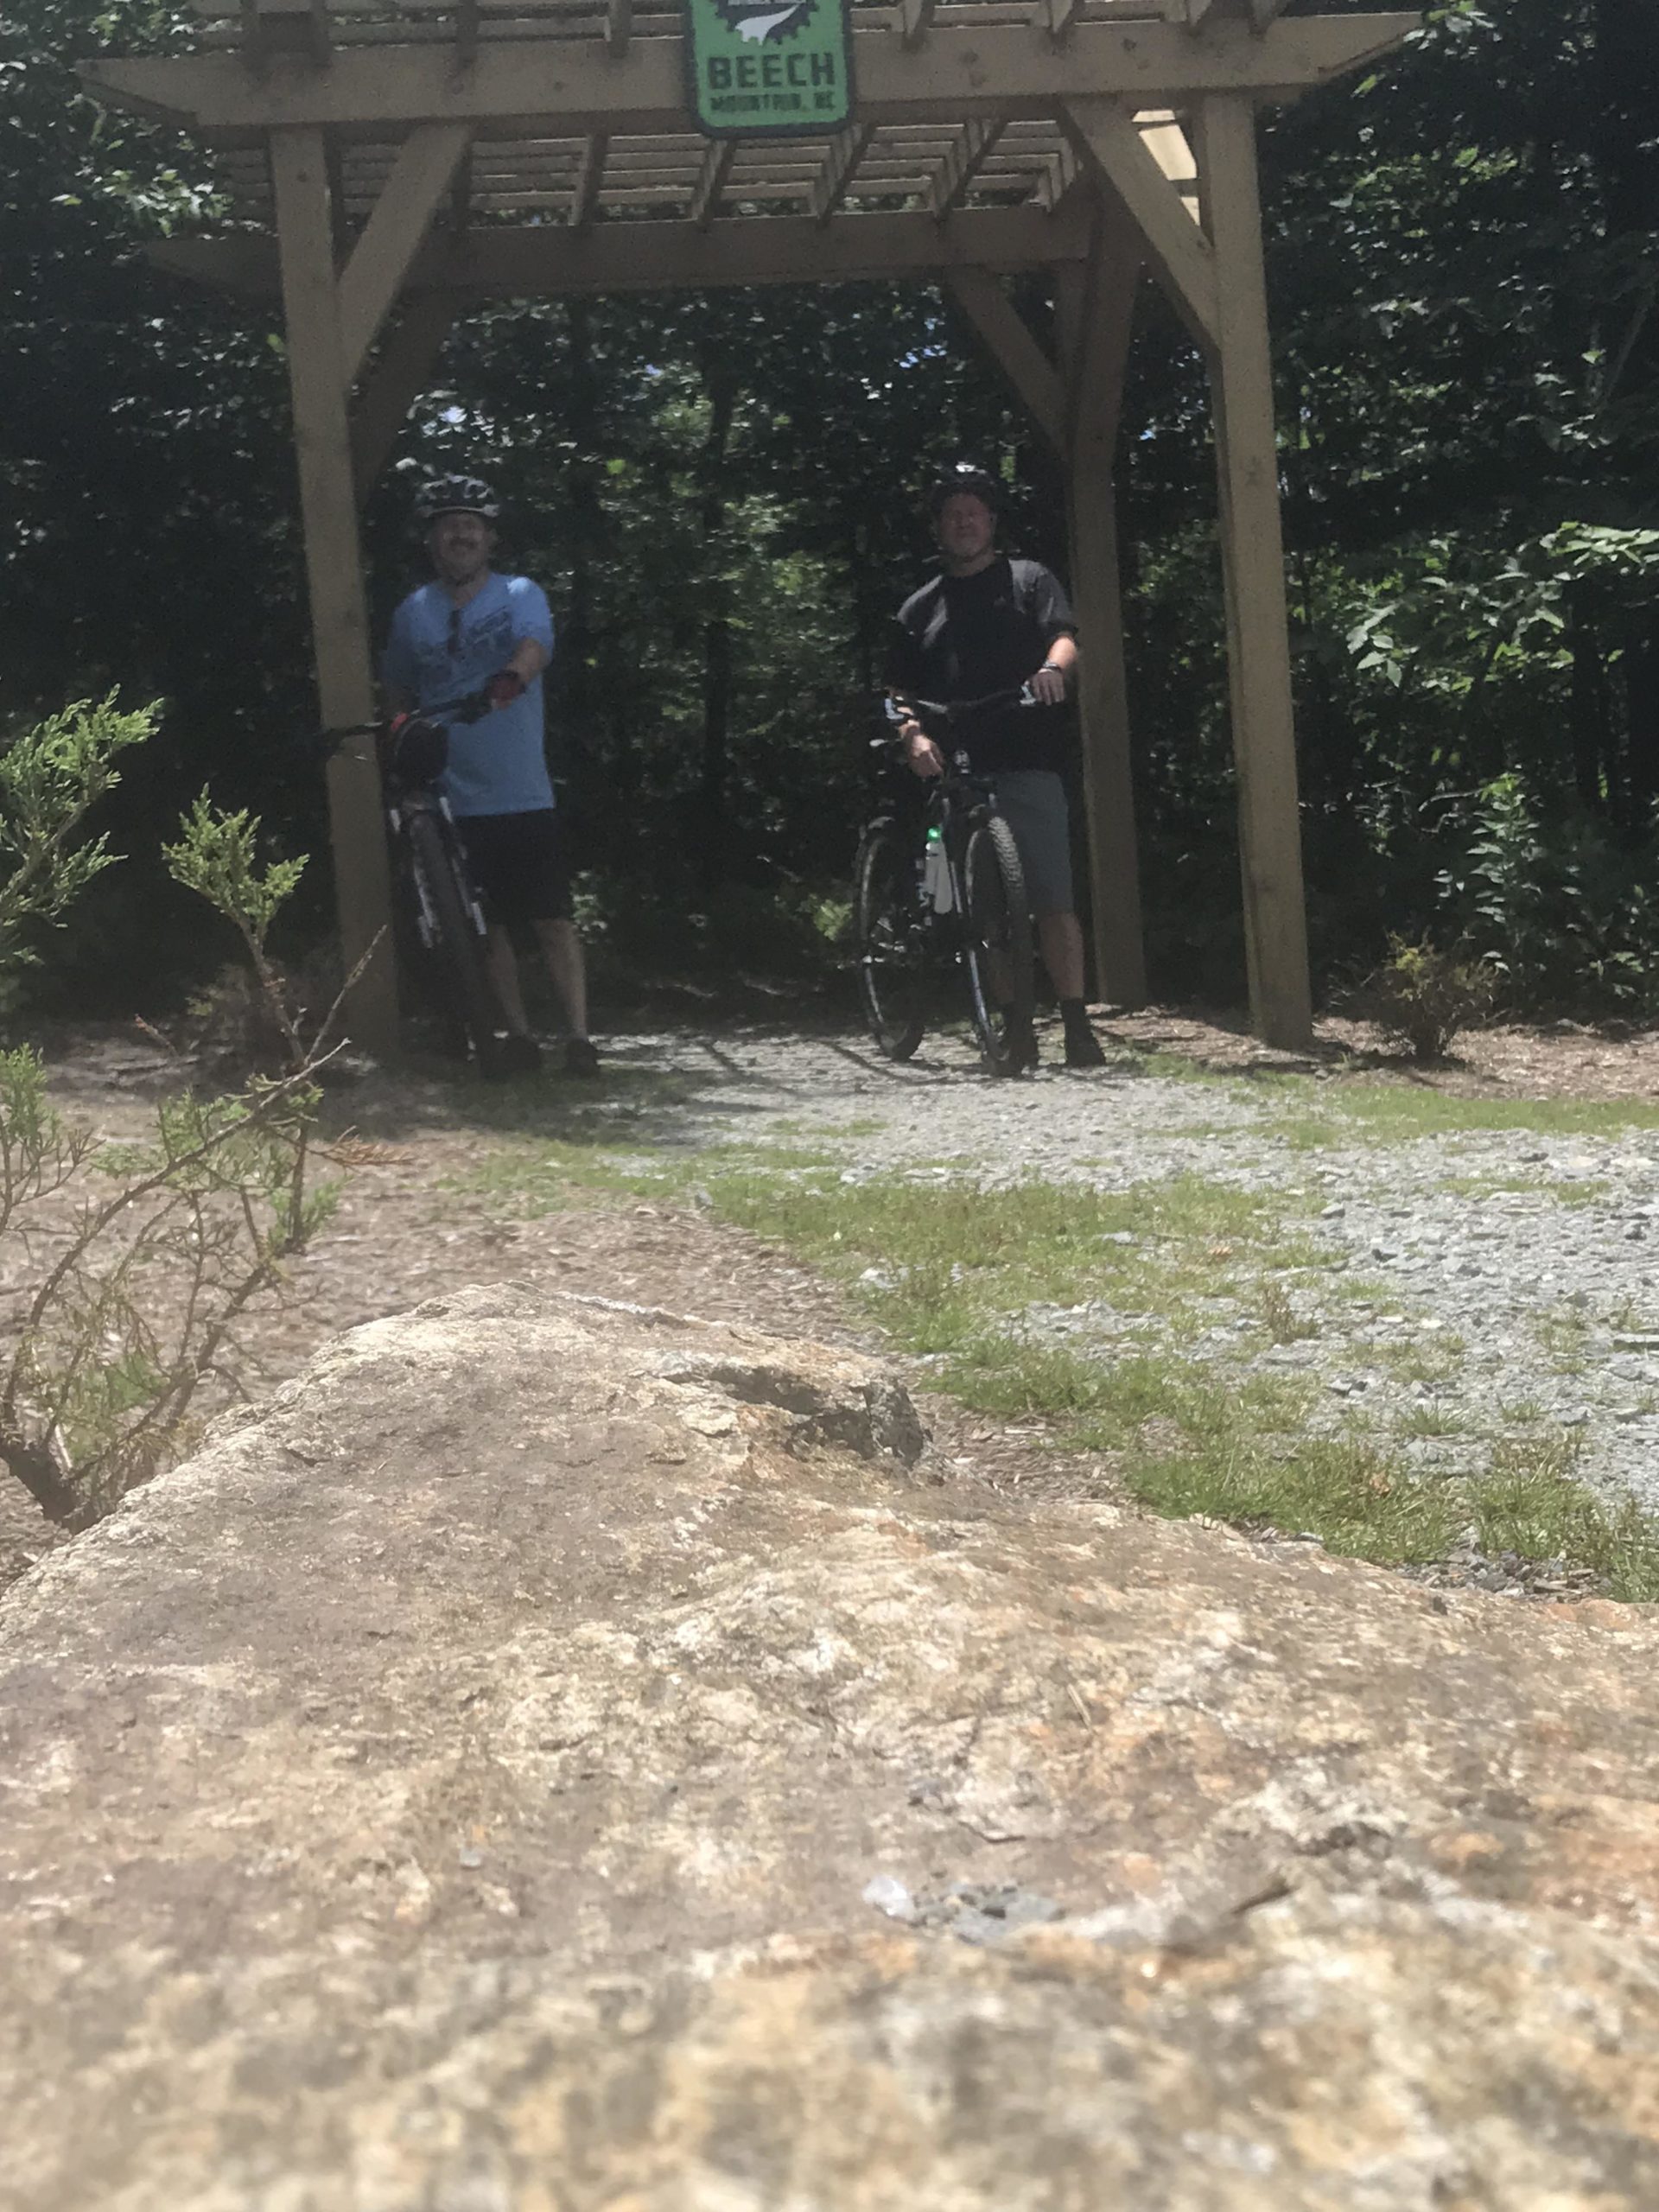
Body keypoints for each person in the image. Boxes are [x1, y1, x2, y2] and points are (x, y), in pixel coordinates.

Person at [885, 461, 1106, 1071]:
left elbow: (1064, 637)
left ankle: (1077, 1025)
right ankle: (1012, 1028)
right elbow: (892, 692)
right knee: (984, 915)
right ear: (939, 528)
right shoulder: (918, 608)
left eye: (974, 513)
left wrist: (1055, 671)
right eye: (953, 514)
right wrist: (910, 736)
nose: (964, 523)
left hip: (1025, 755)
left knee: (1053, 898)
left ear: (991, 523)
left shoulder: (1029, 580)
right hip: (954, 763)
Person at [383, 474, 598, 1077]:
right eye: (448, 525)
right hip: (453, 793)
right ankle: (520, 1035)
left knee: (552, 918)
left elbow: (536, 644)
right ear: (432, 540)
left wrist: (511, 678)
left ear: (489, 538)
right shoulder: (412, 613)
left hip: (522, 787)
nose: (460, 533)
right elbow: (397, 681)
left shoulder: (518, 592)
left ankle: (579, 1037)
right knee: (490, 926)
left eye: (471, 525)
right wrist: (397, 727)